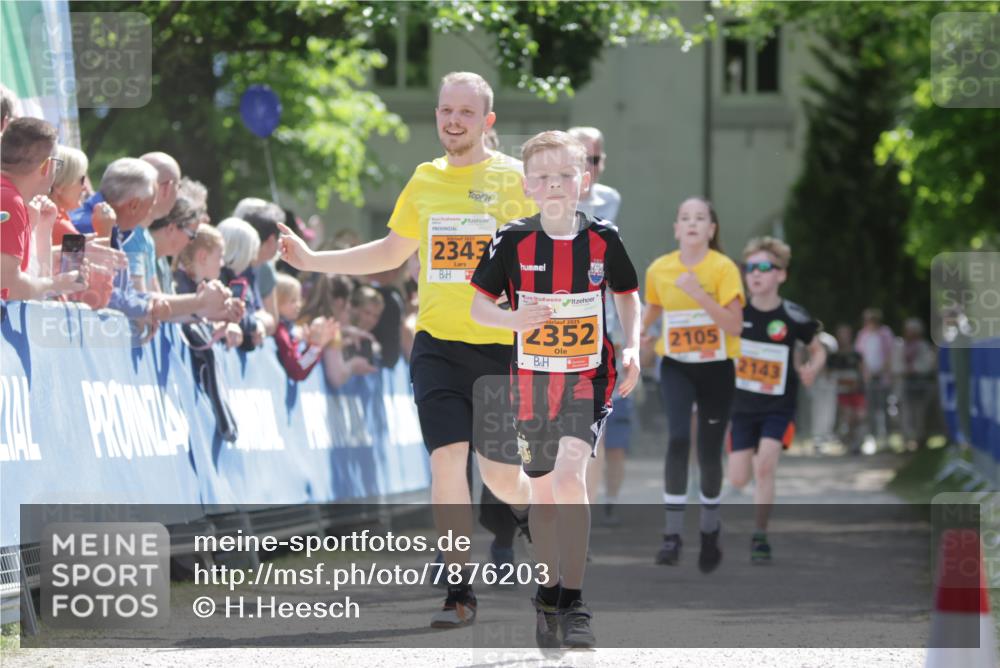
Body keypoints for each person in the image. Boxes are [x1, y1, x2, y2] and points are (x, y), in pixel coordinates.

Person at [277, 71, 539, 628]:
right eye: (446, 110)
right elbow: (393, 251)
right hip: (437, 344)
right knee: (446, 462)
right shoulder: (424, 180)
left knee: (497, 476)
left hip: (499, 348)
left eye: (466, 113)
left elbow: (551, 249)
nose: (453, 121)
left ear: (487, 121)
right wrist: (313, 260)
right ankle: (459, 590)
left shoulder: (516, 180)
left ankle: (530, 507)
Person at [470, 130, 640, 648]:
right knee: (543, 492)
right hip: (531, 383)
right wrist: (512, 316)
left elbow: (630, 296)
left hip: (588, 377)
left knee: (571, 475)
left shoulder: (603, 237)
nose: (555, 185)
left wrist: (631, 346)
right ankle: (547, 595)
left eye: (565, 175)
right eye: (543, 177)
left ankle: (575, 601)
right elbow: (478, 306)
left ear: (584, 180)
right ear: (528, 186)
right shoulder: (512, 238)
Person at [641, 196, 745, 571]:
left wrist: (699, 294)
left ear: (711, 229)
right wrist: (639, 337)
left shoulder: (723, 268)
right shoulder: (660, 268)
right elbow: (652, 309)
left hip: (717, 367)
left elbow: (734, 325)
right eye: (685, 217)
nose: (692, 223)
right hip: (677, 365)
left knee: (709, 448)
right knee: (679, 438)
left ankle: (708, 528)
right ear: (676, 228)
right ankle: (671, 535)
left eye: (700, 218)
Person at [726, 237, 826, 563]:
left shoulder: (794, 316)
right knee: (739, 478)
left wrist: (813, 367)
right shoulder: (736, 312)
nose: (755, 274)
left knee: (766, 465)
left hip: (778, 408)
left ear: (781, 275)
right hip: (741, 409)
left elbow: (818, 348)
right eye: (750, 268)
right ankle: (742, 483)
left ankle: (760, 536)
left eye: (764, 268)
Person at [568, 126, 629, 525]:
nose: (590, 167)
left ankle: (581, 518)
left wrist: (627, 339)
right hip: (550, 324)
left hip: (598, 327)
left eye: (595, 159)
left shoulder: (610, 202)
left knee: (590, 430)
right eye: (582, 159)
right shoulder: (546, 199)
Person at [1, 118, 89, 300]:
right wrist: (57, 284)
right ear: (47, 166)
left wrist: (43, 230)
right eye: (58, 163)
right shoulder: (9, 200)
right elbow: (9, 286)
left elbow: (28, 281)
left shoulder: (13, 200)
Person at [273, 273, 338, 381]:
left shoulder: (288, 330)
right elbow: (298, 370)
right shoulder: (281, 332)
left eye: (299, 299)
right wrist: (315, 346)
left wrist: (311, 345)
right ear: (276, 301)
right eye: (293, 301)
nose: (299, 305)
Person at [232, 197, 283, 336]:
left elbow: (271, 320)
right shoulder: (239, 267)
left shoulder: (257, 267)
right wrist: (259, 321)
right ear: (272, 240)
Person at [217, 217, 266, 350]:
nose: (253, 258)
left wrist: (255, 327)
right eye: (251, 252)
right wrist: (255, 324)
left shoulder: (239, 280)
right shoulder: (217, 278)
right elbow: (233, 313)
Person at [895, 317, 939, 450]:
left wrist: (914, 369)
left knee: (921, 413)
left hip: (921, 384)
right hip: (906, 384)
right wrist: (904, 370)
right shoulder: (900, 346)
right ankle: (907, 439)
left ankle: (921, 438)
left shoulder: (924, 346)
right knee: (906, 412)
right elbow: (895, 365)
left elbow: (928, 365)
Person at [855, 307, 895, 448]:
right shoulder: (863, 335)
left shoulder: (885, 333)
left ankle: (886, 438)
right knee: (870, 408)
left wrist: (882, 370)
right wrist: (866, 372)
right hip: (869, 377)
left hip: (883, 377)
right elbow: (859, 357)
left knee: (884, 407)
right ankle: (872, 437)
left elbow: (890, 353)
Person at [828, 323, 866, 453]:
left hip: (857, 391)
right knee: (847, 417)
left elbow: (864, 371)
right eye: (841, 334)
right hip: (841, 393)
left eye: (846, 334)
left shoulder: (857, 355)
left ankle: (858, 443)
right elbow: (828, 374)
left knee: (859, 417)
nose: (844, 337)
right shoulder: (833, 357)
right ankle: (849, 444)